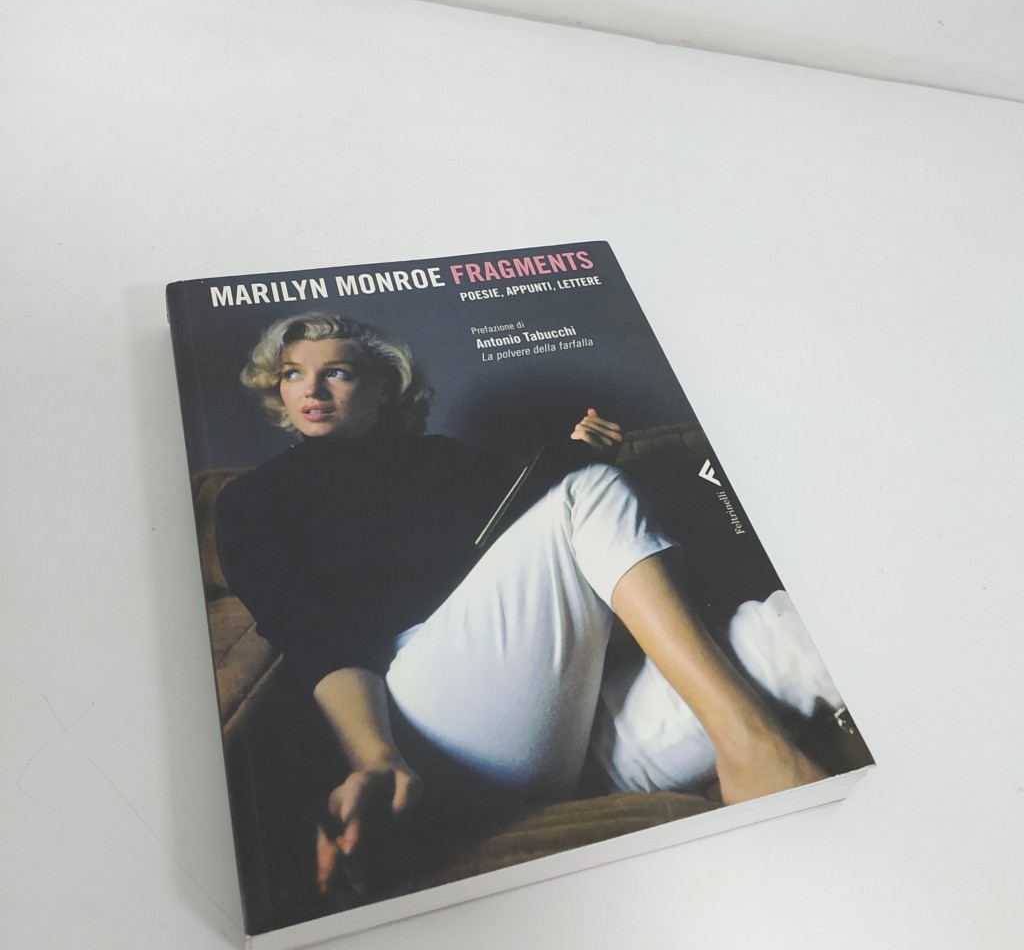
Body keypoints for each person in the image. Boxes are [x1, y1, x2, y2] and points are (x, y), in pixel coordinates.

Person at [215, 312, 830, 893]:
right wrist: (375, 756)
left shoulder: (441, 460)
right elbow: (313, 637)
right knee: (586, 492)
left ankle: (700, 752)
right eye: (292, 374)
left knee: (796, 634)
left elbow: (525, 529)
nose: (310, 389)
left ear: (382, 386)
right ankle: (751, 746)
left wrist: (580, 449)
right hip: (427, 723)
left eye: (337, 372)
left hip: (554, 728)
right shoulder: (255, 499)